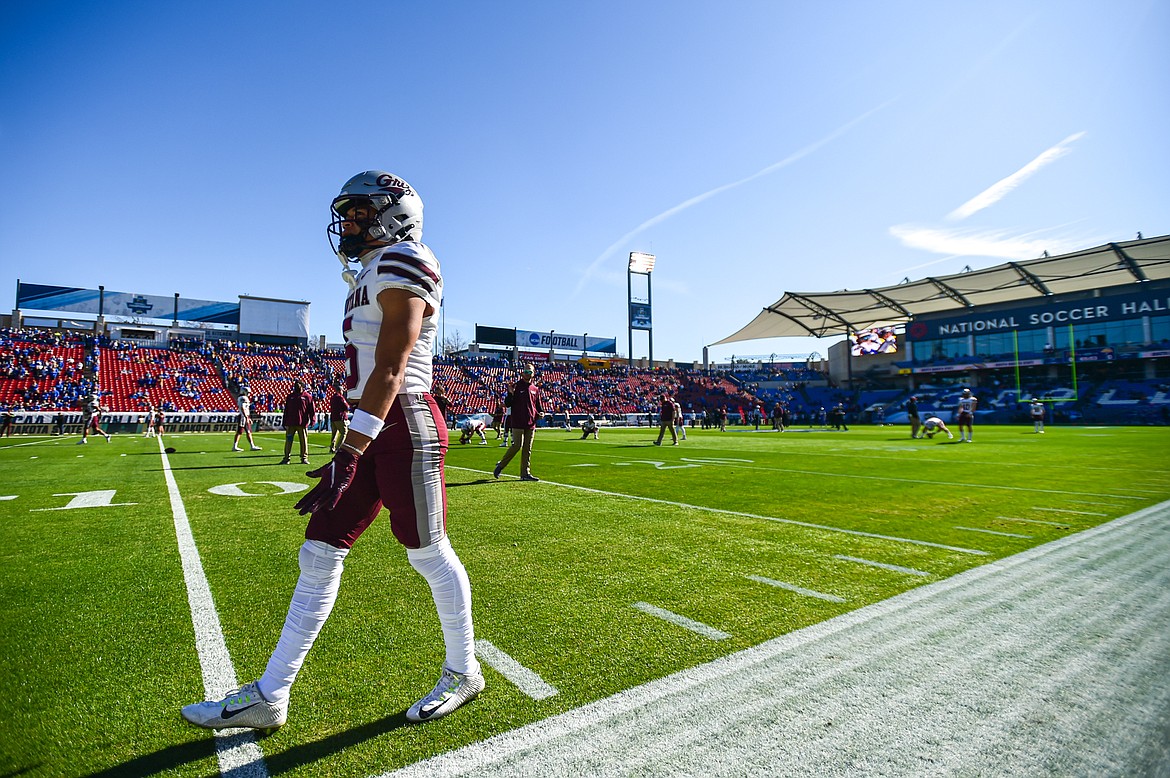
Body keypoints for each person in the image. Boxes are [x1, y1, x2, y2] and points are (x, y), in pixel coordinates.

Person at [182, 170, 482, 731]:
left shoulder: (405, 261)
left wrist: (352, 450)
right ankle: (272, 693)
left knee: (427, 552)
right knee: (320, 549)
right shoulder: (370, 270)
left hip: (405, 422)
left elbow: (392, 368)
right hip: (370, 426)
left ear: (394, 214)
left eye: (360, 212)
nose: (347, 223)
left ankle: (464, 670)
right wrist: (353, 443)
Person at [493, 363, 543, 481]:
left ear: (533, 373)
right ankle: (500, 466)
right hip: (517, 421)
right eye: (526, 372)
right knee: (516, 446)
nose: (527, 374)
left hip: (531, 423)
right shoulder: (516, 386)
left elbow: (538, 406)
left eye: (530, 372)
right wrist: (510, 393)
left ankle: (525, 473)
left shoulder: (535, 389)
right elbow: (508, 403)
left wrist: (541, 413)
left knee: (527, 449)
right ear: (522, 373)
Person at [280, 379, 315, 465]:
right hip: (290, 423)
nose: (297, 386)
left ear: (303, 387)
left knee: (303, 441)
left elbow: (312, 410)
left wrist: (312, 420)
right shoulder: (290, 396)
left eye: (299, 385)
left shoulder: (308, 397)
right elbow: (286, 410)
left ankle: (304, 458)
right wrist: (284, 422)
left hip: (302, 423)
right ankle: (286, 458)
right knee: (288, 441)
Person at [328, 387, 351, 453]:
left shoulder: (332, 398)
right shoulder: (340, 398)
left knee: (334, 434)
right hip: (340, 417)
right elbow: (346, 407)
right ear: (340, 390)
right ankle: (338, 448)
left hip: (333, 417)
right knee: (344, 433)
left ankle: (332, 448)